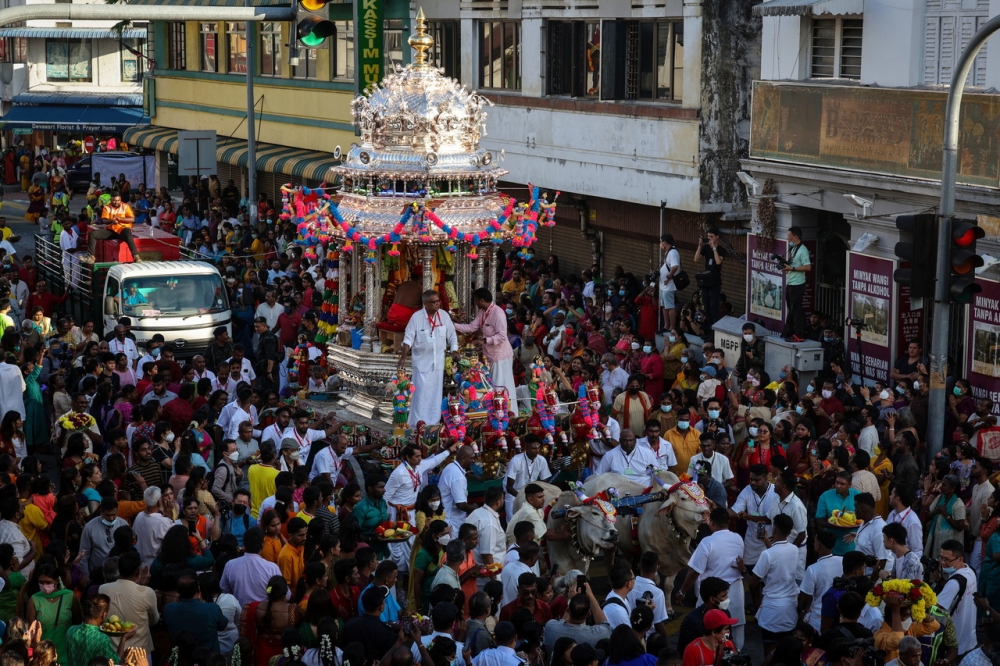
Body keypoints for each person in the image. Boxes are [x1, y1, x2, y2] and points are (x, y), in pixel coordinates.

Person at [678, 508, 746, 648]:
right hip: (735, 593)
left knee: (706, 633)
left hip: (712, 595)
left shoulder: (707, 542)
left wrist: (682, 591)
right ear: (728, 522)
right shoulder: (738, 538)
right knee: (734, 638)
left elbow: (694, 572)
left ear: (712, 522)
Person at [398, 289, 459, 427]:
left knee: (434, 396)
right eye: (434, 302)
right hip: (421, 364)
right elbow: (408, 338)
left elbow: (452, 335)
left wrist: (455, 350)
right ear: (425, 303)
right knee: (420, 395)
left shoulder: (444, 316)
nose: (438, 304)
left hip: (438, 364)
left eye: (439, 301)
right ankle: (417, 424)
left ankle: (433, 423)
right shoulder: (417, 317)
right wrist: (403, 356)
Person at [741, 514, 799, 654]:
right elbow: (777, 556)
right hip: (790, 609)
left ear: (774, 530)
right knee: (787, 652)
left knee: (770, 653)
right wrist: (767, 542)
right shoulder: (794, 550)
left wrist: (742, 569)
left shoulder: (767, 555)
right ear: (790, 532)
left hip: (772, 612)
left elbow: (753, 582)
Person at [455, 288, 517, 415]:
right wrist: (452, 325)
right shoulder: (483, 312)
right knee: (492, 388)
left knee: (501, 387)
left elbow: (502, 336)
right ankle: (494, 414)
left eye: (476, 300)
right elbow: (472, 327)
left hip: (500, 356)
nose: (475, 303)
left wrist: (484, 340)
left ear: (481, 300)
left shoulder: (498, 313)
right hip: (490, 356)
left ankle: (508, 414)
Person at [100, 551, 159, 661]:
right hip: (139, 655)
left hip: (112, 653)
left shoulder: (103, 589)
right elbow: (153, 621)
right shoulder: (147, 592)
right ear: (138, 572)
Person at [64, 594, 141, 666]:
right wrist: (123, 639)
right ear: (104, 615)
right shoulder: (102, 638)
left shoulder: (71, 630)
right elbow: (116, 662)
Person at [936, 539, 978, 657]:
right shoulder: (970, 571)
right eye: (941, 558)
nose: (943, 563)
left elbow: (936, 607)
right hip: (969, 638)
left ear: (960, 559)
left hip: (954, 642)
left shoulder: (954, 583)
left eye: (947, 559)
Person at [542, 582, 611, 653]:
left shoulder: (550, 627)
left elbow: (561, 623)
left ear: (568, 610)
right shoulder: (599, 634)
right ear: (589, 614)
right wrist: (591, 596)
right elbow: (605, 625)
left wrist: (571, 599)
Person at [797, 531, 842, 632]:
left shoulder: (813, 569)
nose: (813, 544)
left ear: (819, 546)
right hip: (839, 615)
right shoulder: (842, 561)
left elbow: (806, 599)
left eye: (815, 542)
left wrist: (799, 609)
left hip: (818, 618)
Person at [83, 193, 141, 263]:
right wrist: (112, 221)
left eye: (118, 200)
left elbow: (132, 219)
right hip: (111, 230)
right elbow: (104, 220)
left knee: (128, 232)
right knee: (92, 234)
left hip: (123, 230)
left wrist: (119, 218)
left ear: (120, 200)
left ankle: (136, 256)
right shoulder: (107, 207)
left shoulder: (126, 206)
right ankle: (91, 257)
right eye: (114, 200)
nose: (116, 202)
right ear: (111, 200)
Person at [505, 434, 552, 519]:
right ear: (525, 447)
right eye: (533, 448)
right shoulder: (516, 460)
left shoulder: (541, 460)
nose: (537, 451)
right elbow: (509, 487)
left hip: (531, 495)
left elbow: (544, 484)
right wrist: (523, 498)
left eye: (538, 447)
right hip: (514, 494)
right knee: (514, 521)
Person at [815, 471, 860, 556]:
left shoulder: (857, 495)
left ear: (849, 485)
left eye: (842, 484)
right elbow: (819, 519)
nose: (838, 486)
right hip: (832, 544)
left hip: (852, 544)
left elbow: (864, 517)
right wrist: (834, 524)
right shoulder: (825, 496)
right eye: (837, 482)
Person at [627, 551, 668, 637]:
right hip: (646, 637)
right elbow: (658, 624)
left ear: (639, 566)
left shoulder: (628, 585)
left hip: (628, 633)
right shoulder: (658, 593)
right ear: (658, 568)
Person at [781, 226, 810, 342]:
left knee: (796, 310)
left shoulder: (803, 250)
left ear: (796, 237)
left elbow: (808, 267)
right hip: (791, 283)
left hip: (798, 284)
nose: (787, 238)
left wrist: (792, 268)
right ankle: (789, 331)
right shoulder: (794, 249)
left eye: (789, 236)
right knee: (791, 309)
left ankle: (799, 334)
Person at [693, 228, 726, 327]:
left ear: (717, 237)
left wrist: (714, 249)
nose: (710, 239)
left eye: (712, 237)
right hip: (706, 281)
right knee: (706, 306)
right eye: (708, 237)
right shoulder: (706, 248)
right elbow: (696, 259)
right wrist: (699, 246)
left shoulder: (721, 250)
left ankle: (714, 328)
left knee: (713, 306)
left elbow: (718, 262)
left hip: (715, 281)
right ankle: (707, 328)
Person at [440, 445, 477, 533]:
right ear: (463, 458)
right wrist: (475, 508)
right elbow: (461, 505)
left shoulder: (451, 466)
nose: (473, 461)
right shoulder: (457, 476)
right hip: (452, 522)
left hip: (447, 517)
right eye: (471, 458)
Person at [658, 234, 681, 332]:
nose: (660, 244)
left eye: (661, 242)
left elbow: (675, 266)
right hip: (663, 285)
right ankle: (666, 325)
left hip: (669, 284)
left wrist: (668, 277)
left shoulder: (673, 252)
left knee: (670, 306)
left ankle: (672, 326)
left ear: (665, 242)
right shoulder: (668, 252)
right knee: (664, 305)